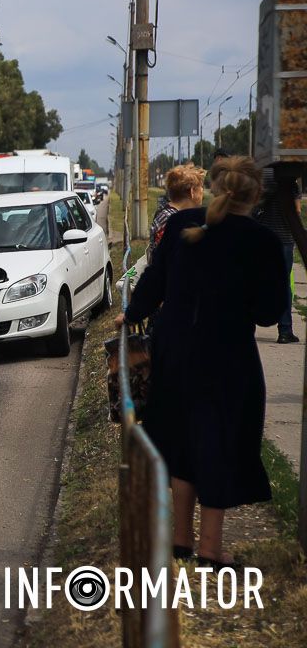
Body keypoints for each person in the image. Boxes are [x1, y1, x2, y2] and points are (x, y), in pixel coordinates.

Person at [117, 156, 286, 568]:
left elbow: (154, 282)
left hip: (174, 351)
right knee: (218, 441)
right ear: (255, 195)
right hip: (226, 357)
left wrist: (132, 313)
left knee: (178, 436)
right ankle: (211, 549)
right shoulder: (260, 241)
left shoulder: (181, 227)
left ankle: (180, 540)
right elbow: (269, 312)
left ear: (213, 187)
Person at [254, 167, 301, 343]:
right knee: (283, 285)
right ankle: (285, 330)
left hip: (262, 237)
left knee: (256, 282)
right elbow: (296, 210)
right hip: (283, 238)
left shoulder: (261, 176)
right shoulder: (288, 181)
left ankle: (249, 325)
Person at [147, 164, 205, 263]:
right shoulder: (170, 220)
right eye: (201, 187)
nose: (202, 191)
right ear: (191, 192)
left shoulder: (166, 214)